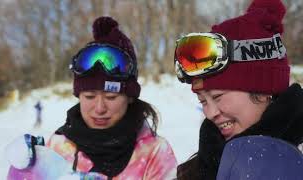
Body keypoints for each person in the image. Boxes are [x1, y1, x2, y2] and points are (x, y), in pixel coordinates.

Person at [173, 0, 303, 179]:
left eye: (217, 97)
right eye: (202, 101)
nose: (210, 113)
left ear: (263, 90)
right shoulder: (197, 168)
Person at [45, 16, 177, 179]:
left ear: (129, 97)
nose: (100, 108)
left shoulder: (154, 152)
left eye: (111, 97)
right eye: (89, 96)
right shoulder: (57, 147)